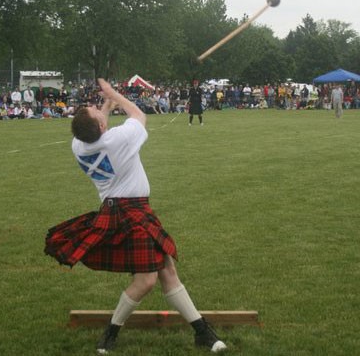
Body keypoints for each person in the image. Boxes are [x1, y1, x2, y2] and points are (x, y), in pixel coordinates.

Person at [44, 78, 227, 354]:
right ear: (103, 127)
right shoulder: (119, 140)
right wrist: (115, 93)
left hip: (116, 212)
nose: (97, 108)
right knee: (147, 280)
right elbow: (139, 116)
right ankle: (112, 333)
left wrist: (106, 104)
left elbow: (96, 125)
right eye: (97, 111)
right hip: (132, 212)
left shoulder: (79, 145)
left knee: (166, 271)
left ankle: (202, 332)